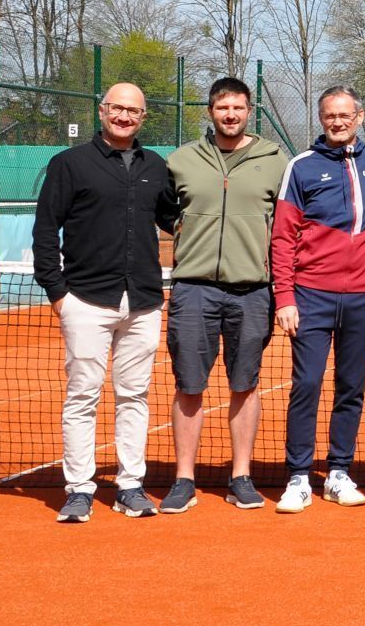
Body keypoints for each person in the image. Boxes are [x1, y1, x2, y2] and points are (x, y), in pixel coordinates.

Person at [32, 82, 180, 522]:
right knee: (83, 397)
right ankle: (78, 488)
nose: (124, 116)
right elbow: (45, 231)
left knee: (134, 396)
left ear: (143, 117)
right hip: (85, 300)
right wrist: (58, 293)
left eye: (133, 111)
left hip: (144, 302)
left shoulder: (157, 166)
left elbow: (175, 221)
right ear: (102, 111)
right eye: (117, 108)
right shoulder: (69, 164)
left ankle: (130, 485)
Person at [158, 76, 286, 513]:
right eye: (221, 108)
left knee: (245, 385)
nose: (230, 115)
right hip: (193, 289)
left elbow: (287, 223)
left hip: (253, 291)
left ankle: (241, 475)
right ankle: (183, 480)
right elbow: (162, 208)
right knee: (189, 386)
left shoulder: (275, 160)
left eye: (238, 108)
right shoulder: (181, 160)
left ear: (249, 111)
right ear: (210, 111)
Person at [270, 86, 365, 513]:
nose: (338, 122)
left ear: (360, 117)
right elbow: (283, 236)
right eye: (330, 116)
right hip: (311, 296)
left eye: (346, 115)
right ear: (321, 119)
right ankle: (299, 477)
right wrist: (285, 296)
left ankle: (339, 472)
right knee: (306, 384)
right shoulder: (301, 167)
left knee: (351, 387)